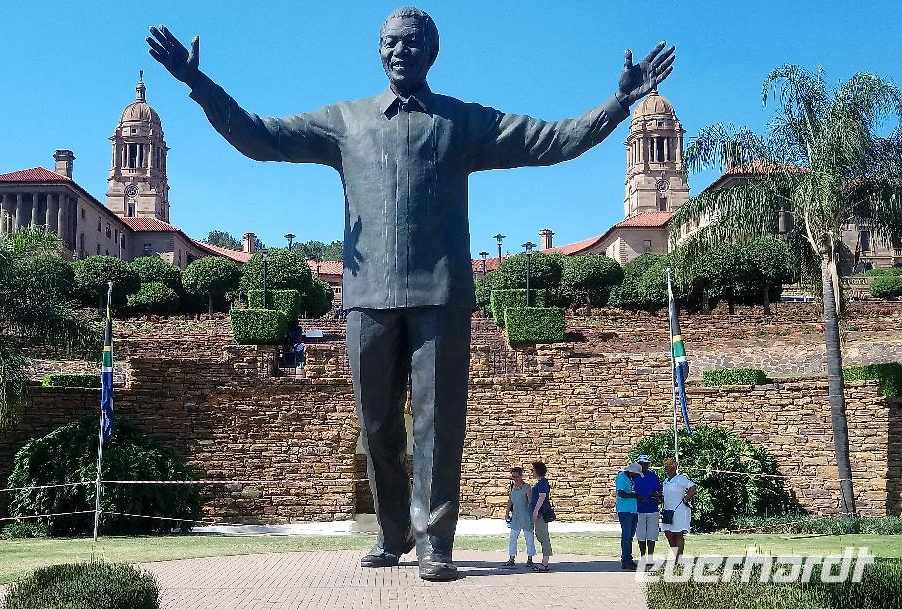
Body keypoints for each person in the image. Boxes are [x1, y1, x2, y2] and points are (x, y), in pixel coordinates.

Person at [147, 7, 675, 581]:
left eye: (413, 43)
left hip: (441, 296)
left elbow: (552, 141)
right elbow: (257, 136)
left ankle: (433, 539)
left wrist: (618, 104)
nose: (400, 52)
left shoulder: (461, 122)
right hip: (369, 295)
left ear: (432, 53)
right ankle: (392, 529)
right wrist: (196, 83)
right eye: (390, 43)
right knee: (376, 426)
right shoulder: (345, 121)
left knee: (438, 423)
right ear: (379, 52)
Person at [503, 467, 539, 570]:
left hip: (526, 516)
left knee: (529, 538)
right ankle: (511, 558)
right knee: (513, 537)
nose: (515, 479)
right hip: (516, 516)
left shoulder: (527, 487)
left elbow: (531, 501)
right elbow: (510, 500)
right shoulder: (512, 487)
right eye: (513, 477)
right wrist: (507, 513)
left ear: (521, 475)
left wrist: (533, 514)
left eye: (517, 476)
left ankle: (530, 559)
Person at [661, 457, 697, 559]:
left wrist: (686, 498)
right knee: (668, 533)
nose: (667, 470)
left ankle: (679, 559)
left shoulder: (680, 479)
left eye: (669, 468)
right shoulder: (666, 481)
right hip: (668, 510)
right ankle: (675, 554)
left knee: (678, 533)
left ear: (674, 469)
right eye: (666, 468)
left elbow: (693, 487)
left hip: (679, 510)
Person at [634, 455, 662, 561]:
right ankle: (642, 556)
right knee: (641, 535)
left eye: (646, 464)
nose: (644, 466)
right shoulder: (634, 476)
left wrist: (657, 495)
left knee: (652, 535)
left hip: (652, 509)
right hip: (639, 509)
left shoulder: (653, 476)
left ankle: (650, 557)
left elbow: (659, 489)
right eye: (642, 464)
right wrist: (638, 497)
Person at [615, 463, 641, 569]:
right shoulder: (622, 477)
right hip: (625, 510)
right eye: (636, 474)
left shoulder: (630, 477)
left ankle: (628, 559)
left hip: (633, 510)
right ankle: (626, 561)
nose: (637, 475)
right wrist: (636, 495)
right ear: (631, 471)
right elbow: (621, 493)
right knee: (626, 536)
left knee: (630, 536)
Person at [530, 461, 553, 572]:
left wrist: (535, 511)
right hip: (539, 513)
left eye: (532, 470)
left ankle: (544, 563)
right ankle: (544, 561)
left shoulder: (543, 483)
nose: (531, 472)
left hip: (541, 514)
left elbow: (542, 497)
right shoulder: (540, 482)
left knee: (543, 536)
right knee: (541, 535)